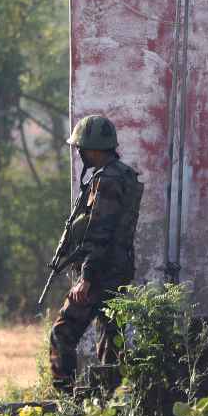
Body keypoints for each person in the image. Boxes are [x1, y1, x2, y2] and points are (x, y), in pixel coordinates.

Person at [49, 115, 143, 392]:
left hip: (99, 274)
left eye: (81, 147)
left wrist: (86, 277)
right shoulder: (122, 175)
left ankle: (66, 397)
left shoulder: (109, 180)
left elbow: (101, 231)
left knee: (62, 332)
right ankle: (109, 403)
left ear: (92, 149)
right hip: (118, 270)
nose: (79, 153)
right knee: (110, 339)